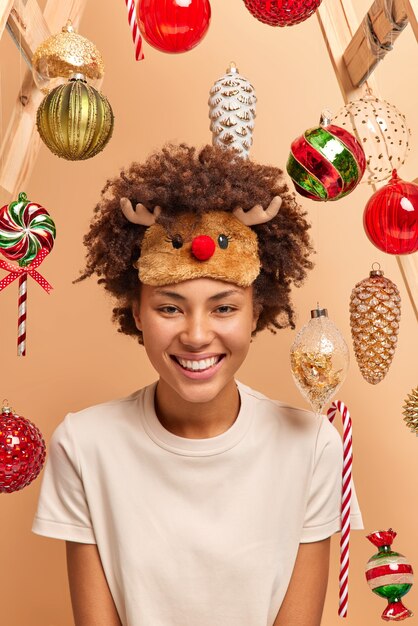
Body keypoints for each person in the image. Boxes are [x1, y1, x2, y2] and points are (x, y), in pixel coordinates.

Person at [32, 144, 363, 626]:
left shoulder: (313, 447)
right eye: (169, 307)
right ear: (135, 312)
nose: (196, 335)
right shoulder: (84, 446)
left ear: (258, 312)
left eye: (224, 307)